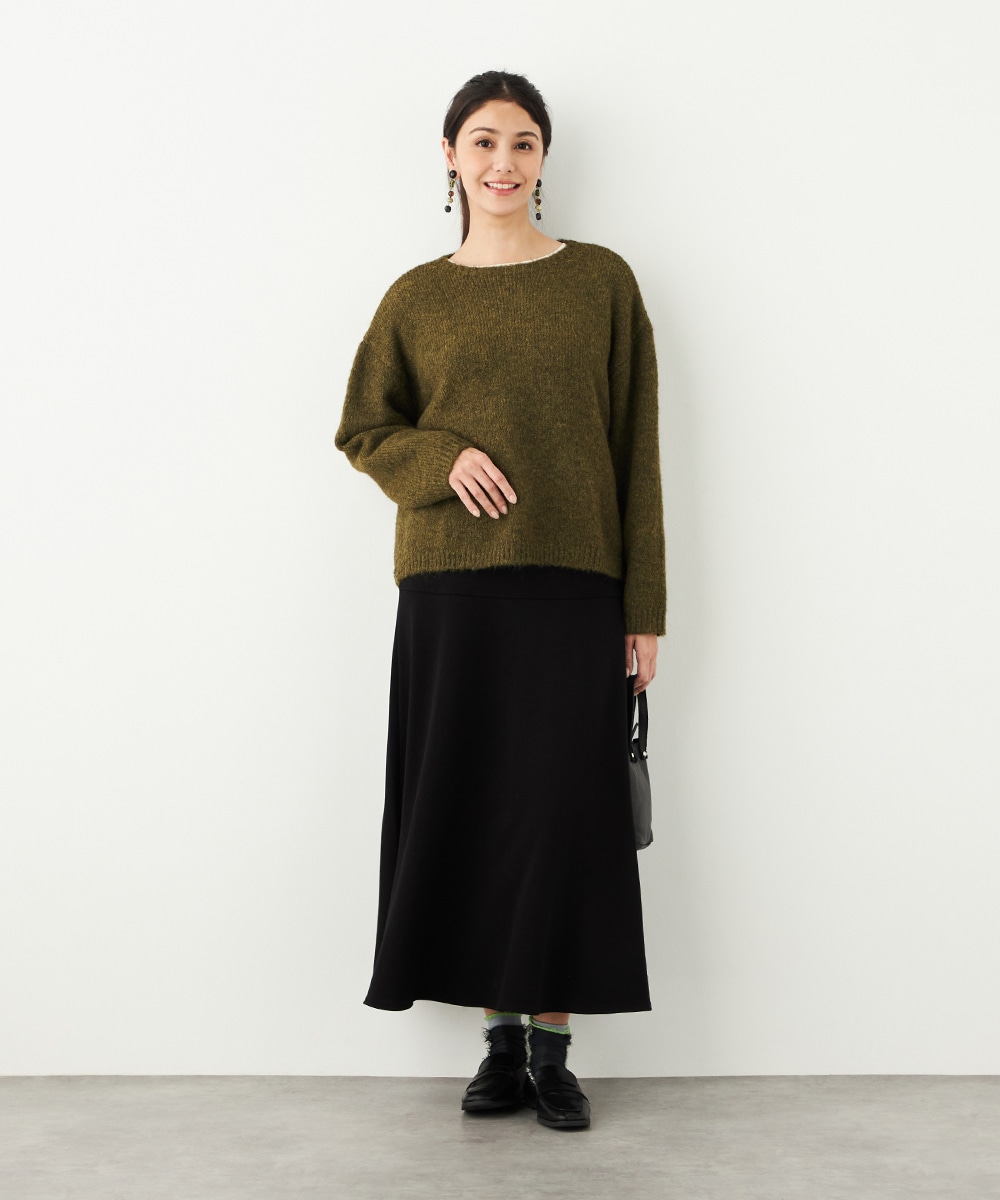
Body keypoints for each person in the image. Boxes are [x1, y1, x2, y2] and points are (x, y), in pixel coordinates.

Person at [335, 69, 666, 1132]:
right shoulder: (415, 297)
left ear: (543, 158)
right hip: (450, 592)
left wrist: (645, 608)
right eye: (482, 141)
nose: (503, 162)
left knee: (561, 817)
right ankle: (500, 1044)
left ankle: (554, 1051)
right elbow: (363, 429)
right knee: (477, 807)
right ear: (450, 156)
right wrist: (441, 457)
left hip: (573, 587)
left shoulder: (601, 281)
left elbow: (636, 450)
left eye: (522, 142)